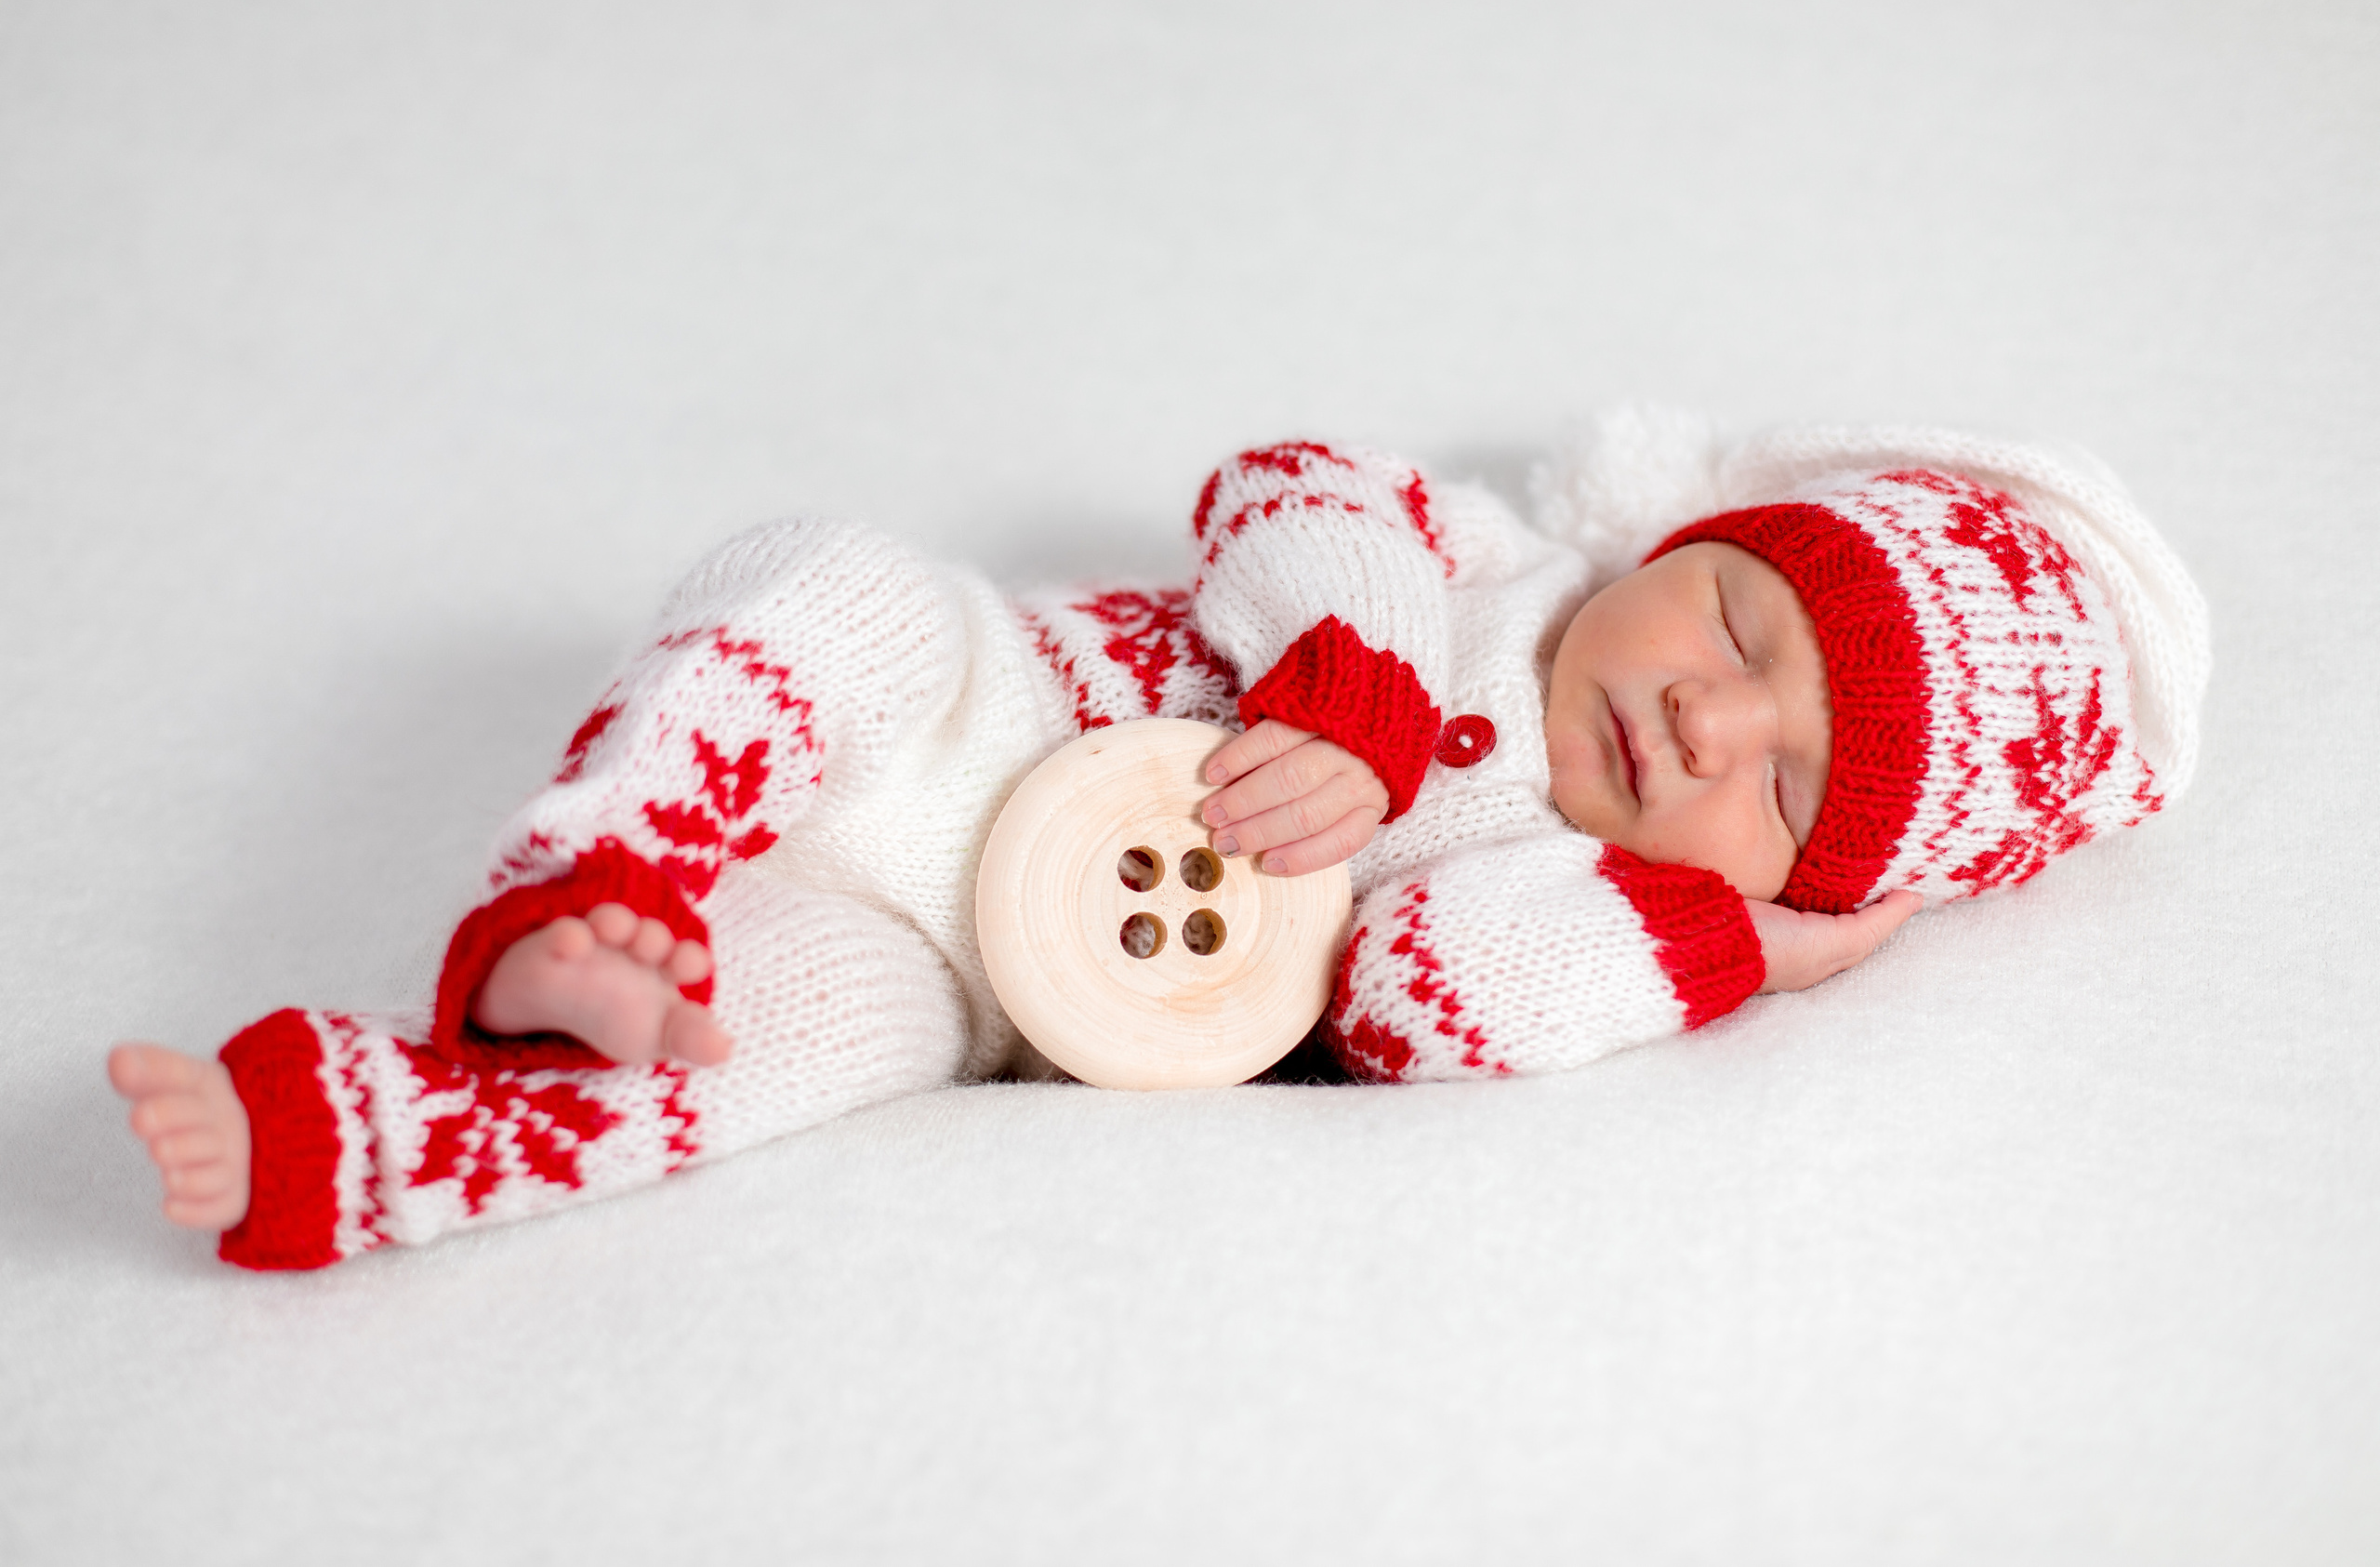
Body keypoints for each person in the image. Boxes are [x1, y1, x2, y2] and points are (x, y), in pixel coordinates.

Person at [106, 408, 2208, 1269]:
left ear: (1811, 883)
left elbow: (1413, 995)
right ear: (1685, 530)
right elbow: (1277, 480)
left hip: (979, 989)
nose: (1701, 714)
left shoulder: (1588, 902)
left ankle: (361, 1130)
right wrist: (1356, 690)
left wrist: (1726, 948)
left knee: (784, 1050)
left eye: (1781, 788)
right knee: (824, 590)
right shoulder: (1465, 562)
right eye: (1741, 621)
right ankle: (595, 878)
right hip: (987, 701)